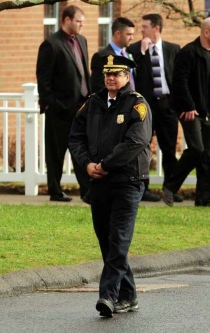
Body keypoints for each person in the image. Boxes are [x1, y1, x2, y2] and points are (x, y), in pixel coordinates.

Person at [69, 55, 151, 317]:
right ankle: (128, 296)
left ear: (127, 76)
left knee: (118, 241)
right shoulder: (92, 103)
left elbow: (136, 142)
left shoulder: (137, 104)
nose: (111, 78)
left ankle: (107, 296)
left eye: (117, 74)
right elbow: (76, 138)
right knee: (106, 241)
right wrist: (88, 164)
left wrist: (106, 164)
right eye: (108, 74)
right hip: (100, 182)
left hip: (127, 181)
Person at [163, 17, 210, 206]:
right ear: (206, 33)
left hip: (206, 112)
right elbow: (179, 82)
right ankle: (170, 187)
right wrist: (188, 106)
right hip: (189, 111)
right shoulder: (188, 52)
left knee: (209, 154)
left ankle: (204, 198)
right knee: (197, 149)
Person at [36, 5, 90, 203]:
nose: (82, 25)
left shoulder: (82, 41)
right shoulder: (51, 44)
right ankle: (55, 191)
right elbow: (44, 80)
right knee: (56, 153)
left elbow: (84, 73)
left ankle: (87, 191)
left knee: (83, 151)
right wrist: (52, 104)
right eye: (78, 21)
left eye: (83, 21)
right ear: (66, 20)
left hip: (82, 108)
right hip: (60, 110)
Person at [128, 14, 183, 203]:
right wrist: (142, 54)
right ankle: (143, 189)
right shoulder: (135, 50)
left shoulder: (173, 49)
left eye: (145, 26)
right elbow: (133, 75)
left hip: (167, 105)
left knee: (169, 149)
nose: (141, 30)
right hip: (145, 107)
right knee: (143, 148)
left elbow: (178, 78)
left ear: (156, 28)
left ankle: (171, 189)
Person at [90, 17, 135, 92]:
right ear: (118, 34)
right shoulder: (102, 57)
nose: (132, 38)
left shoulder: (128, 55)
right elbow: (98, 88)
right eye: (129, 34)